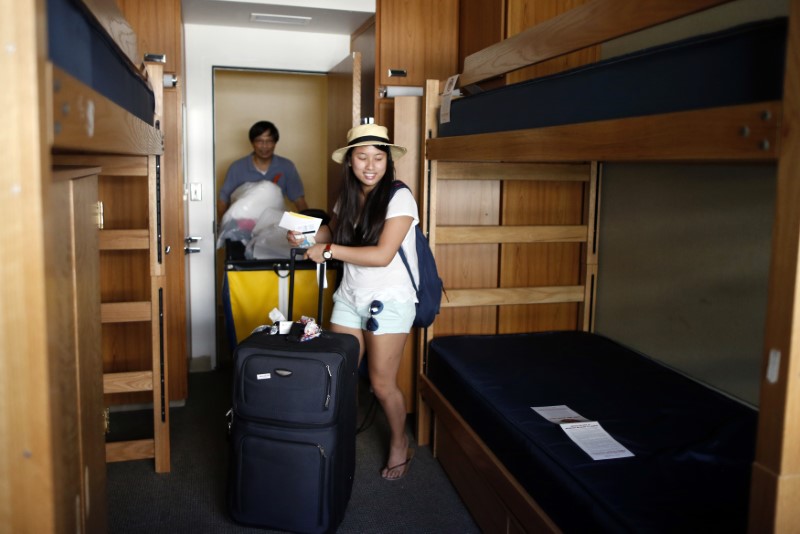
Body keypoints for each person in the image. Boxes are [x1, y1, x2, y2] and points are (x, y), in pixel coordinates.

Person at [298, 123, 417, 481]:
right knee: (340, 374)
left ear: (387, 161)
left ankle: (400, 442)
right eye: (362, 157)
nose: (370, 165)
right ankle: (334, 436)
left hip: (390, 300)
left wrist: (328, 250)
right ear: (349, 161)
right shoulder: (347, 196)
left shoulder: (399, 197)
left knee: (381, 384)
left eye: (378, 158)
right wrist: (304, 234)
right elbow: (332, 233)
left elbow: (382, 254)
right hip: (349, 297)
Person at [218, 120, 308, 221]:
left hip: (274, 225)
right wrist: (223, 227)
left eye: (269, 141)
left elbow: (299, 200)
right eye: (259, 141)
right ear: (252, 143)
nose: (265, 146)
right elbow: (223, 200)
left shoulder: (287, 166)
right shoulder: (237, 168)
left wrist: (309, 230)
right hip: (243, 225)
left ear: (275, 142)